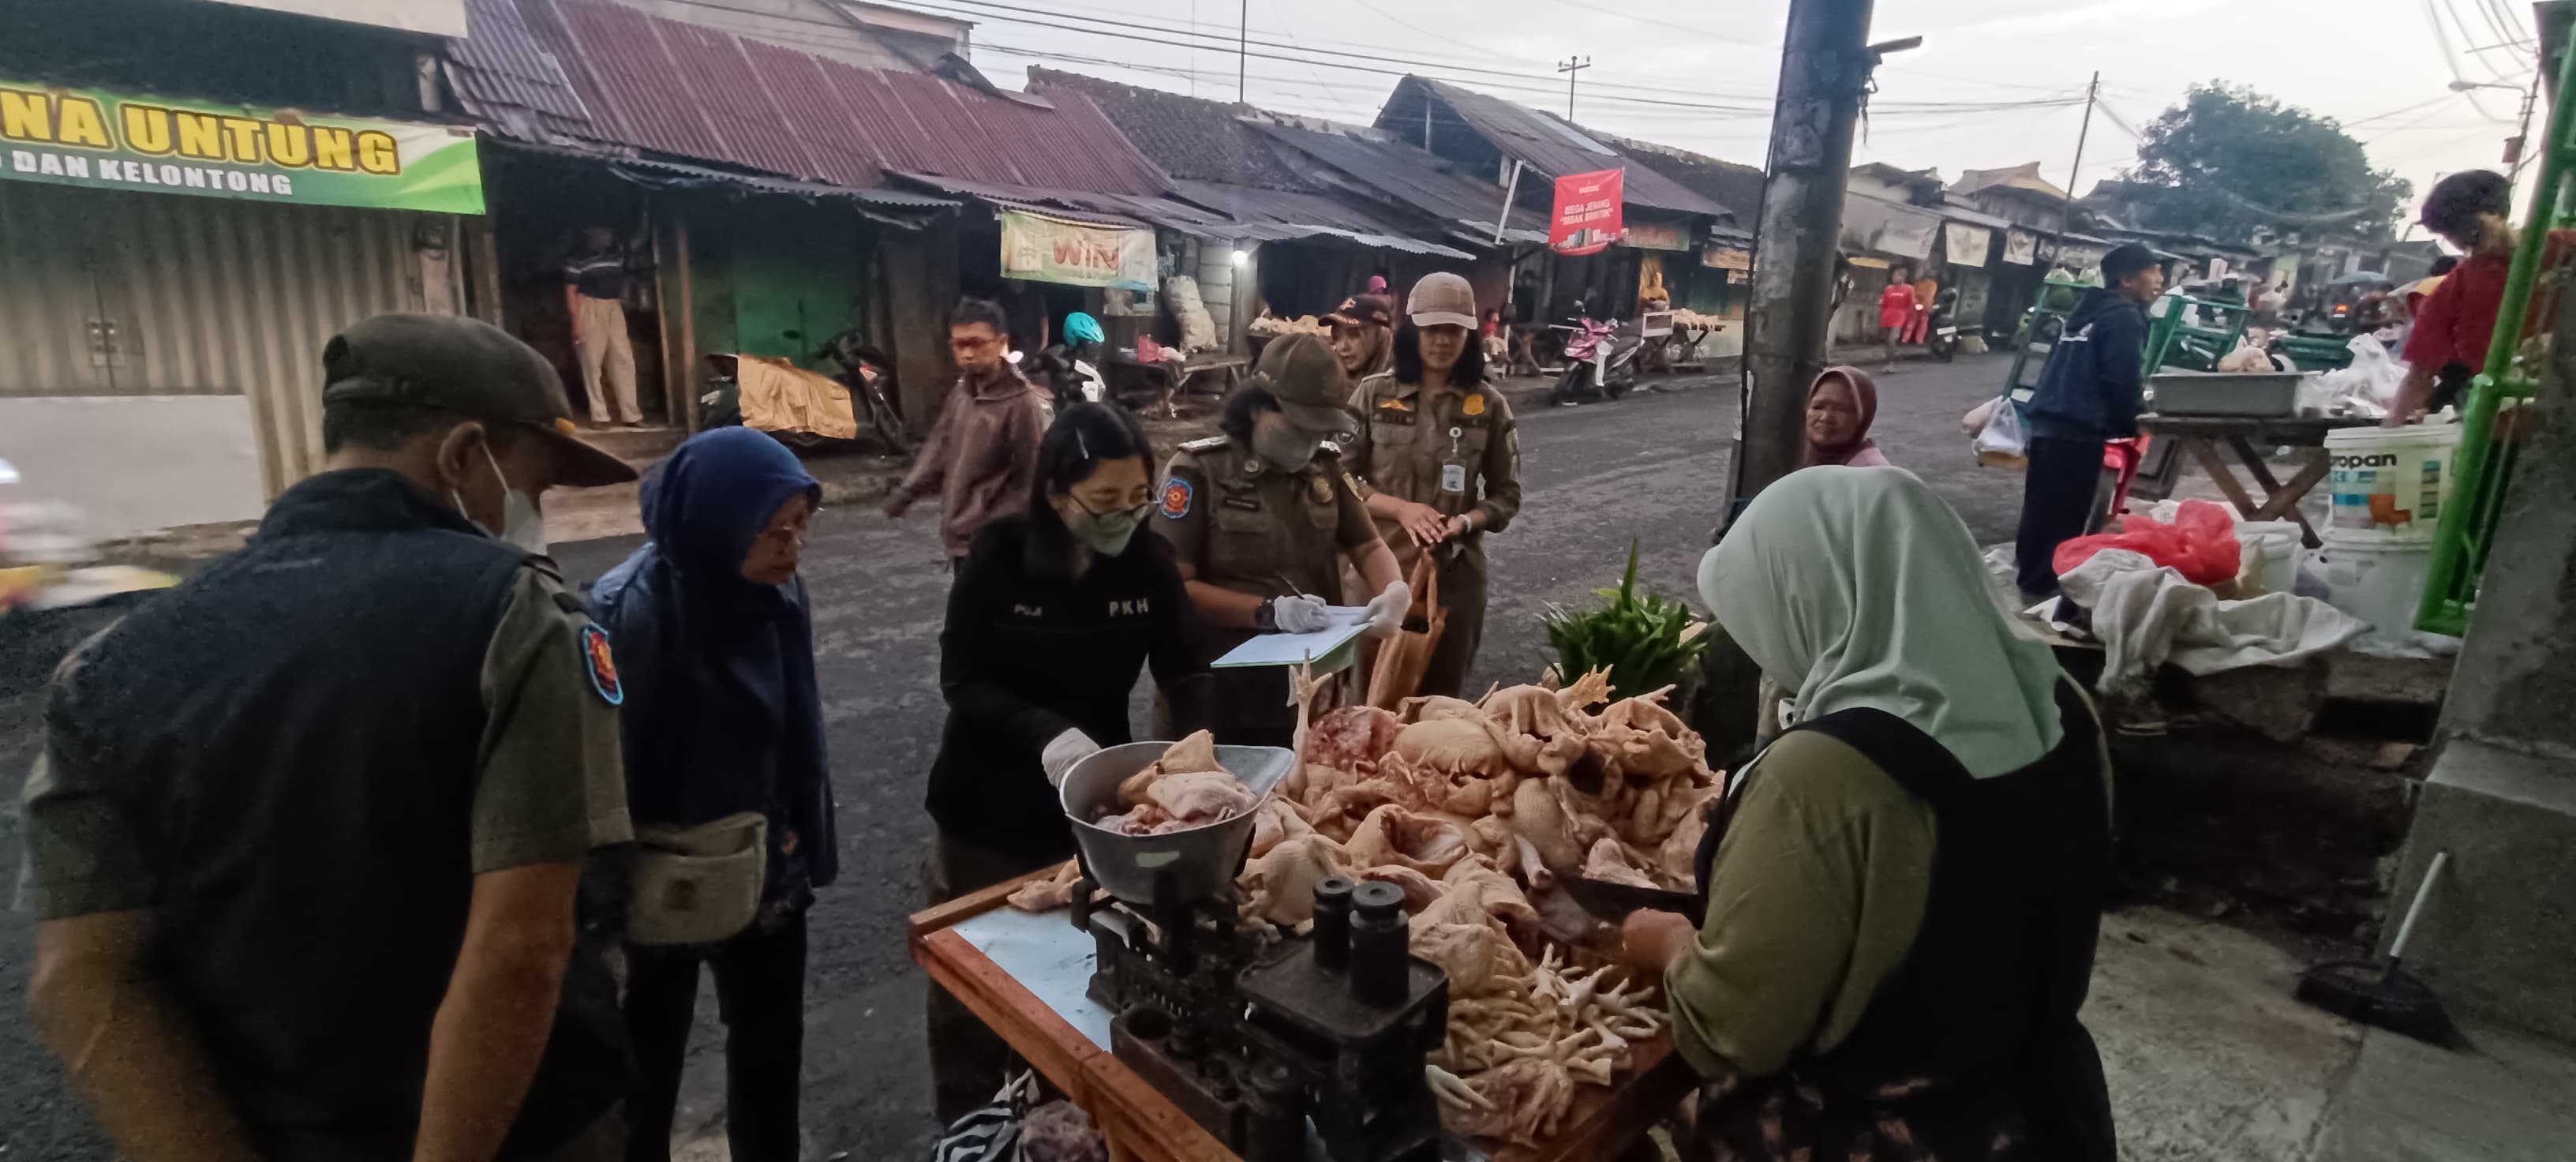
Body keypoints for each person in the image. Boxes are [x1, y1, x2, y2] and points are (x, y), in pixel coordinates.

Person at [21, 314, 639, 1160]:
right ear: (463, 454)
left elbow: (80, 975)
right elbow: (520, 947)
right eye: (531, 482)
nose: (528, 510)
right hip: (521, 1129)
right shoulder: (515, 617)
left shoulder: (114, 657)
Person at [1623, 466, 2114, 1162]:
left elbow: (1737, 1031)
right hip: (2045, 1113)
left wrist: (1667, 941)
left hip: (1875, 1137)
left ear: (1812, 594)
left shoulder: (1823, 774)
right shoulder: (2058, 702)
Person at [922, 403, 1215, 1121]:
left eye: (1138, 498)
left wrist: (1206, 758)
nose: (1125, 516)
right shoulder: (1000, 557)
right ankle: (964, 1123)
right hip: (985, 808)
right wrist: (1044, 732)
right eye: (1104, 501)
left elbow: (1185, 671)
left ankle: (1058, 1118)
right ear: (1056, 494)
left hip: (1092, 804)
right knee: (977, 983)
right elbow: (962, 679)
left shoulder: (1147, 565)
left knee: (1075, 972)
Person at [589, 428, 835, 1162]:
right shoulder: (629, 613)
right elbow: (608, 775)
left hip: (769, 868)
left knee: (768, 1057)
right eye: (775, 530)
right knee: (645, 1065)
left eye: (802, 525)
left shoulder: (777, 584)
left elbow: (799, 727)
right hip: (664, 878)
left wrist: (799, 838)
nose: (794, 548)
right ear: (716, 524)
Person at [1154, 333, 1410, 745]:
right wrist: (1267, 612)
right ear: (1256, 408)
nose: (1310, 443)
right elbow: (1174, 589)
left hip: (1306, 694)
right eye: (1299, 428)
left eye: (1320, 430)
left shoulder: (1324, 468)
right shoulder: (1199, 471)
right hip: (1213, 693)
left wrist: (1394, 589)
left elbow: (1368, 544)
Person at [1343, 272, 1522, 699]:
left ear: (1469, 335)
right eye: (1432, 329)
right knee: (1366, 706)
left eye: (1454, 330)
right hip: (1377, 576)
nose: (1442, 340)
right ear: (1413, 333)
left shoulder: (1489, 406)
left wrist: (1465, 520)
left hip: (1454, 581)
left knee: (1438, 707)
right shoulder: (1371, 395)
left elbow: (1506, 495)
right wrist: (1400, 509)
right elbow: (1337, 478)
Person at [2013, 242, 2163, 604]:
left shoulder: (2086, 313)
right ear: (2128, 280)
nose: (2160, 281)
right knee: (2066, 518)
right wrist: (2131, 421)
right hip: (2079, 431)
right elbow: (2122, 379)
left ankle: (2032, 580)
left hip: (2049, 424)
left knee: (2040, 511)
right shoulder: (2125, 316)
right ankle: (2051, 591)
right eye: (2153, 272)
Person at [885, 297, 1053, 564]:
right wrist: (907, 492)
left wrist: (1001, 531)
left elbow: (1031, 480)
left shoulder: (1021, 404)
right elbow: (939, 447)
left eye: (976, 343)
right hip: (959, 537)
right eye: (959, 345)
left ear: (1000, 342)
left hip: (996, 545)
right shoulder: (962, 394)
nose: (967, 354)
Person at [2393, 171, 2516, 425]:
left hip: (2501, 424)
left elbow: (2418, 378)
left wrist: (2390, 433)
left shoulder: (2454, 288)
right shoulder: (2560, 248)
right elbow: (2420, 376)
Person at [567, 225, 645, 429]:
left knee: (624, 359)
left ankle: (631, 416)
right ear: (591, 235)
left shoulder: (617, 254)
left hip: (613, 306)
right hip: (589, 306)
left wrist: (645, 213)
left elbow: (640, 238)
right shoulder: (578, 258)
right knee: (591, 363)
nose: (608, 236)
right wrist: (577, 323)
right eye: (603, 232)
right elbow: (570, 292)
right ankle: (599, 416)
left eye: (610, 232)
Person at [1803, 366, 1891, 467]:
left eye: (1841, 409)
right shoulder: (1799, 456)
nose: (1825, 418)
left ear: (1863, 418)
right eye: (1818, 407)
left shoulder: (1870, 472)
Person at [1324, 290, 1395, 380]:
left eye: (1354, 335)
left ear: (1381, 335)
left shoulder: (1402, 385)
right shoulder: (1329, 382)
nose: (1343, 347)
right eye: (1336, 337)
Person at [1878, 268, 1917, 369]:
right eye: (1893, 276)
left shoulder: (1909, 289)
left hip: (1899, 316)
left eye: (1896, 276)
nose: (1894, 278)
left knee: (1892, 339)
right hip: (1887, 316)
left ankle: (1890, 364)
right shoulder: (1889, 289)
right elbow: (1884, 303)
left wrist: (1906, 315)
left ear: (1902, 278)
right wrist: (1881, 306)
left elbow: (1910, 304)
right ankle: (1892, 353)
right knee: (1886, 340)